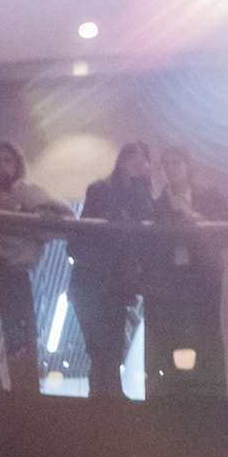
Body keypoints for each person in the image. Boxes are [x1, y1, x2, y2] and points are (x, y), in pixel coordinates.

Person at [0, 141, 68, 395]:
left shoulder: (28, 198)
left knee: (22, 344)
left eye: (8, 160)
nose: (3, 166)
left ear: (17, 166)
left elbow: (54, 217)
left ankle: (26, 404)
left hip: (14, 277)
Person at [69, 142, 155, 401]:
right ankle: (108, 400)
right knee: (101, 347)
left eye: (142, 161)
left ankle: (106, 401)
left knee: (111, 347)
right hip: (95, 280)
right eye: (134, 160)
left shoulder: (140, 196)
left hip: (114, 283)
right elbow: (93, 231)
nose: (138, 166)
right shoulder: (101, 190)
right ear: (122, 161)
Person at [145, 145, 228, 398]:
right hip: (170, 280)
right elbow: (152, 246)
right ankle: (175, 394)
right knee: (173, 334)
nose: (171, 168)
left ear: (187, 166)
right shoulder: (156, 205)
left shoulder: (211, 197)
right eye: (166, 164)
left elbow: (223, 233)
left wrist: (187, 214)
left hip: (204, 277)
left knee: (206, 334)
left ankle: (210, 395)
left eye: (176, 162)